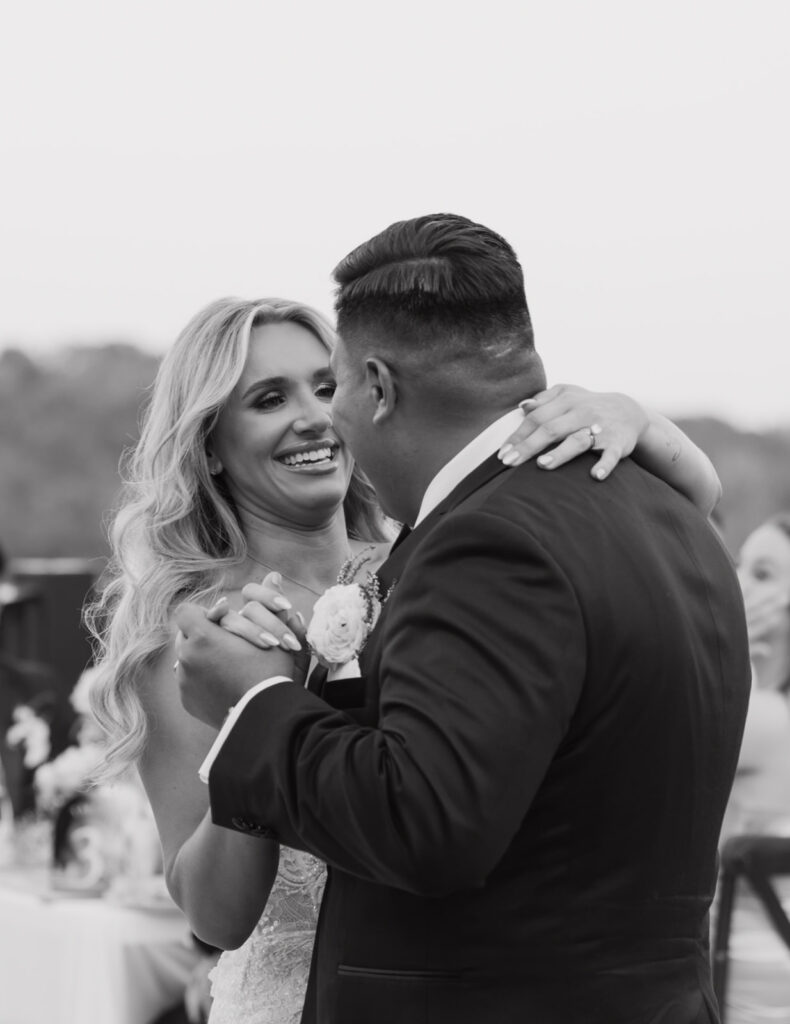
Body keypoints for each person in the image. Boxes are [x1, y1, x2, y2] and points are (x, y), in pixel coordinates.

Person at [174, 214, 750, 1024]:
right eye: (272, 397)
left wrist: (258, 706)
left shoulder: (482, 544)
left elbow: (429, 822)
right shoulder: (678, 514)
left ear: (379, 386)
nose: (321, 418)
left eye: (332, 386)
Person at [717, 513, 790, 1023]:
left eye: (761, 575)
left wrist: (721, 641)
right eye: (738, 565)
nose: (736, 583)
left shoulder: (761, 721)